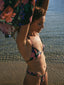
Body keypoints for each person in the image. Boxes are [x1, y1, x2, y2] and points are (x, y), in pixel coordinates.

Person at [16, 0, 49, 85]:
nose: (42, 27)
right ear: (30, 22)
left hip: (44, 75)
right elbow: (26, 18)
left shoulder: (36, 34)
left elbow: (43, 11)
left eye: (43, 23)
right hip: (33, 78)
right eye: (39, 24)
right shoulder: (24, 41)